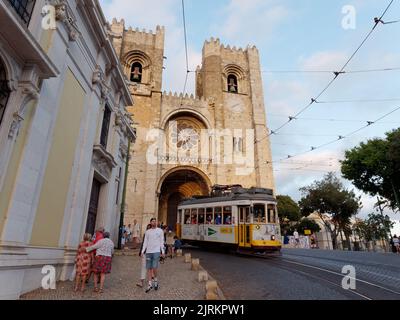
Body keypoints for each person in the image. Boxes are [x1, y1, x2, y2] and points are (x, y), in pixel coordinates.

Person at [141, 218, 165, 293]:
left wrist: (163, 251)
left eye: (155, 221)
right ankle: (150, 284)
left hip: (156, 251)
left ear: (157, 223)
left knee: (154, 267)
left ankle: (155, 280)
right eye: (152, 221)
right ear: (150, 222)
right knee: (149, 268)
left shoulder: (160, 231)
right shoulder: (147, 232)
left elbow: (162, 241)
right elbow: (145, 242)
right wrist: (142, 251)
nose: (154, 222)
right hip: (148, 252)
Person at [136, 224, 152, 288]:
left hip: (151, 253)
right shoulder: (145, 234)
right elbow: (143, 243)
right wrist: (141, 252)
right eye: (147, 228)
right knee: (144, 267)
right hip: (145, 253)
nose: (148, 229)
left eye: (149, 228)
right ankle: (141, 281)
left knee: (150, 268)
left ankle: (150, 282)